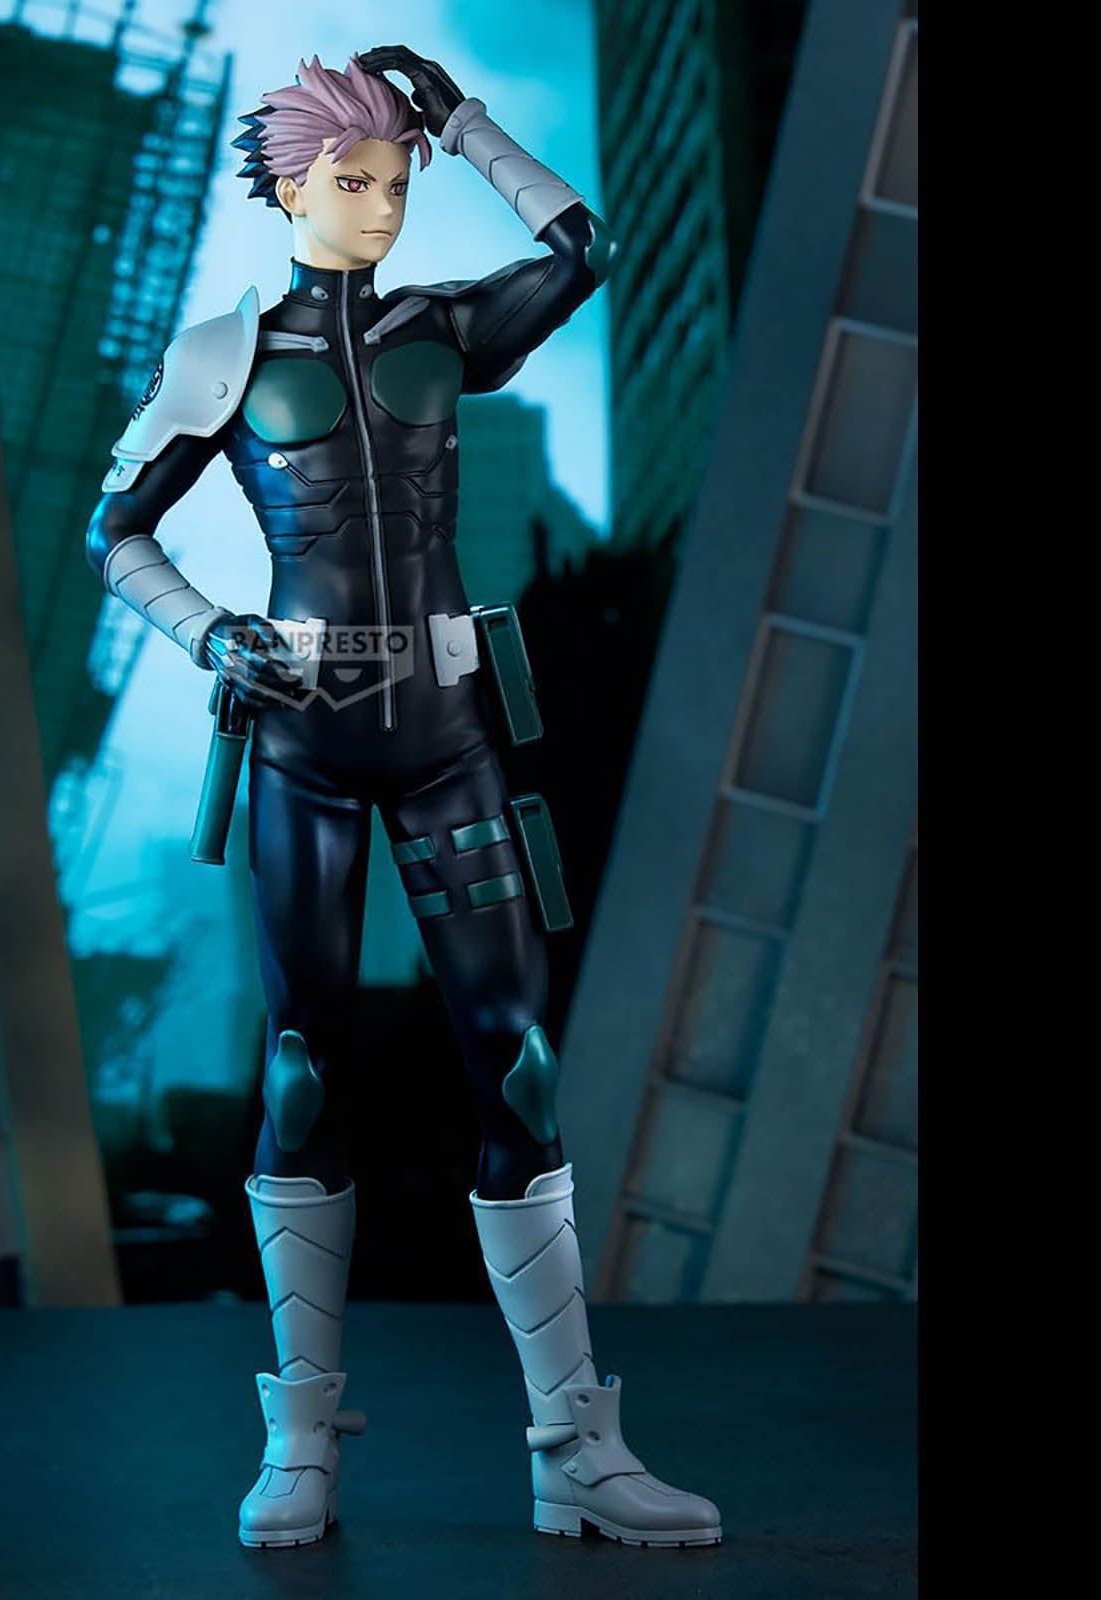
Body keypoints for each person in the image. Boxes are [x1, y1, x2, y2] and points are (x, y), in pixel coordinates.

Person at [85, 46, 721, 1552]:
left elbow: (584, 249)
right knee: (302, 1071)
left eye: (394, 179)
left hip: (447, 733)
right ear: (290, 186)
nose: (381, 204)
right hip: (303, 736)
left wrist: (467, 121)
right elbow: (119, 530)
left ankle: (576, 1448)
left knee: (522, 1067)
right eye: (351, 179)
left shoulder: (443, 326)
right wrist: (209, 633)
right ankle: (300, 1440)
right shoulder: (223, 355)